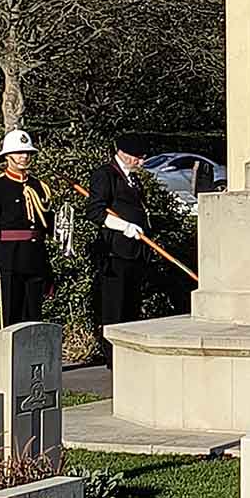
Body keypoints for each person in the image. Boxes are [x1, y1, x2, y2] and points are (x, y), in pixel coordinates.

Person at [86, 133, 151, 369]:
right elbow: (95, 212)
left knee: (132, 307)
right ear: (123, 154)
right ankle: (114, 358)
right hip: (115, 253)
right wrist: (124, 226)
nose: (141, 162)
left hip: (135, 252)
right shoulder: (105, 175)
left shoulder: (133, 179)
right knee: (115, 310)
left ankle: (129, 356)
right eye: (137, 157)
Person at [0, 129, 55, 327]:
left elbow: (47, 223)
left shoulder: (39, 186)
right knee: (11, 315)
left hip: (36, 256)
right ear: (7, 156)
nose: (24, 156)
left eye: (27, 152)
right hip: (10, 257)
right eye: (19, 152)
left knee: (34, 316)